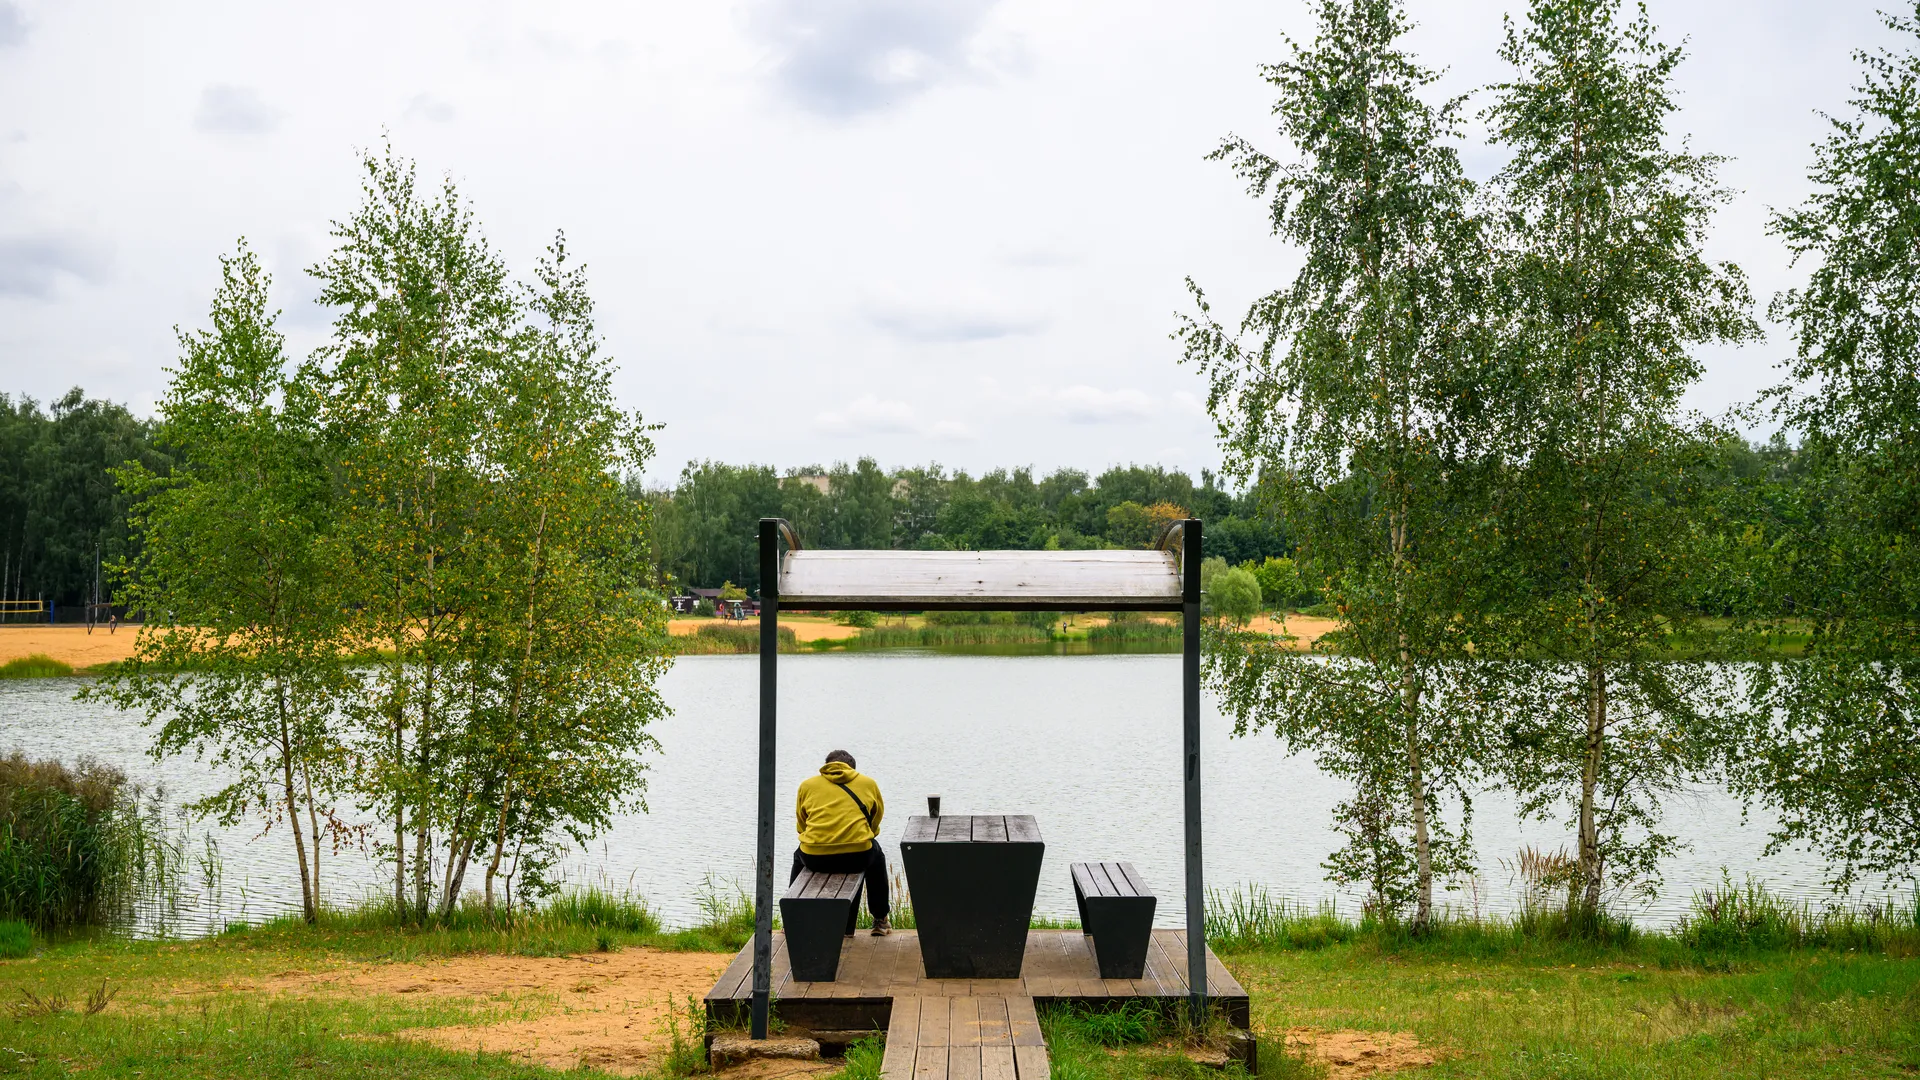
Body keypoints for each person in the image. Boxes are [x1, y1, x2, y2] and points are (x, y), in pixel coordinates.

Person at [791, 749, 891, 936]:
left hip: (815, 858)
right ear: (852, 768)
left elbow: (801, 824)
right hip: (857, 857)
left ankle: (791, 918)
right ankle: (880, 920)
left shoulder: (807, 785)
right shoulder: (868, 783)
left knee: (798, 854)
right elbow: (876, 819)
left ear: (827, 765)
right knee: (876, 856)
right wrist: (865, 834)